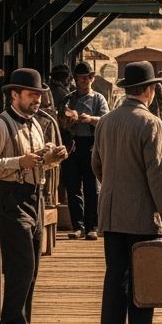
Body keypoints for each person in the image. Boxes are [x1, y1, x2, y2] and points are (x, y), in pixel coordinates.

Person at [0, 68, 67, 324]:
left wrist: (52, 158)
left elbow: (37, 162)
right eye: (31, 95)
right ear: (14, 95)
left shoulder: (36, 124)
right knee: (21, 266)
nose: (36, 100)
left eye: (39, 95)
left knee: (33, 266)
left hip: (33, 197)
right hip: (9, 198)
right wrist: (18, 162)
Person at [92, 61, 162, 324]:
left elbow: (97, 166)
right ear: (150, 90)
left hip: (111, 212)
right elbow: (159, 174)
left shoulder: (105, 121)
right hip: (141, 213)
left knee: (116, 273)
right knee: (144, 273)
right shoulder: (151, 123)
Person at [59, 62, 108, 240]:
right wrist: (67, 119)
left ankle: (92, 226)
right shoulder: (68, 99)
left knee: (91, 187)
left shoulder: (98, 99)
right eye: (81, 78)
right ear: (76, 79)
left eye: (87, 78)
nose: (84, 81)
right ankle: (77, 226)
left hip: (90, 145)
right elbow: (60, 120)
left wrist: (91, 119)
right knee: (72, 187)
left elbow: (105, 120)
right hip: (71, 145)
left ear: (92, 79)